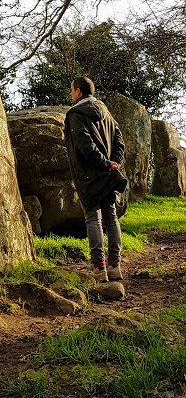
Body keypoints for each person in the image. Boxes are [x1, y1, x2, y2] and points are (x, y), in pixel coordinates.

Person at [64, 76, 128, 282]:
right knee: (111, 217)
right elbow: (119, 138)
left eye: (72, 90)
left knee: (93, 218)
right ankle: (115, 266)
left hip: (89, 175)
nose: (70, 94)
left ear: (79, 91)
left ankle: (99, 269)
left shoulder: (75, 114)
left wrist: (104, 163)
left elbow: (85, 146)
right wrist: (114, 162)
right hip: (108, 173)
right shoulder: (105, 110)